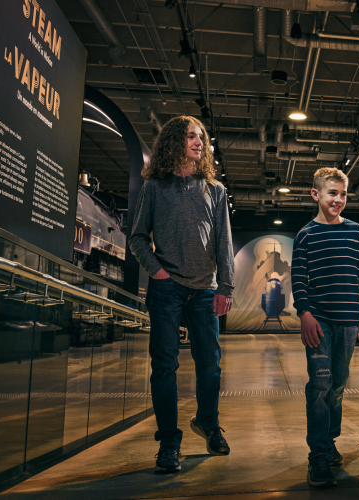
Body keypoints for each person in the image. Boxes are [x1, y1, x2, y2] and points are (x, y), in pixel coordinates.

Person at [129, 116, 234, 472]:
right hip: (167, 288)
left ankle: (208, 421)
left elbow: (224, 243)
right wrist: (156, 271)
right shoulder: (155, 188)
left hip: (205, 289)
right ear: (175, 141)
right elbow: (137, 237)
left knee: (210, 366)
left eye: (201, 137)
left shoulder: (214, 190)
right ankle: (169, 444)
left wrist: (227, 286)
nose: (199, 142)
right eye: (191, 136)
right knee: (164, 368)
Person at [292, 167, 359, 487]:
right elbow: (298, 279)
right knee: (320, 384)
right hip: (318, 321)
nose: (339, 199)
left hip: (347, 322)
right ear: (316, 195)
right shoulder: (306, 235)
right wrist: (304, 313)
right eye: (333, 193)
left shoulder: (356, 232)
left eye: (343, 194)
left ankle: (329, 441)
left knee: (339, 385)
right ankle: (317, 454)